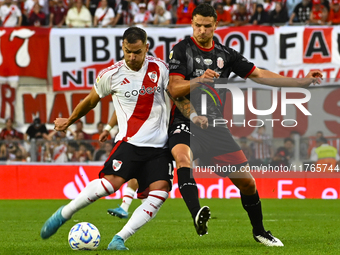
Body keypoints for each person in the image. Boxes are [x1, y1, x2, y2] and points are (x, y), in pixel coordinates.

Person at [167, 3, 322, 246]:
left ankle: (260, 231)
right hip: (186, 122)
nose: (202, 31)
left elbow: (259, 74)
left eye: (207, 26)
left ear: (216, 25)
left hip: (216, 127)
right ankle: (197, 213)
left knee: (248, 182)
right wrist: (199, 80)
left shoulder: (225, 55)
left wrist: (300, 83)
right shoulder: (181, 50)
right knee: (183, 159)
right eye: (197, 25)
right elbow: (173, 88)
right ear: (192, 24)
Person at [40, 27, 174, 251]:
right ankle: (65, 213)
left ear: (146, 48)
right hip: (129, 143)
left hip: (159, 147)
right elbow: (90, 101)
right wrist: (69, 121)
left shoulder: (161, 68)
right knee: (110, 185)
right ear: (122, 48)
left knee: (160, 192)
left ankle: (119, 238)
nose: (132, 57)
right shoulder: (111, 75)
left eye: (137, 52)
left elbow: (175, 94)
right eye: (127, 51)